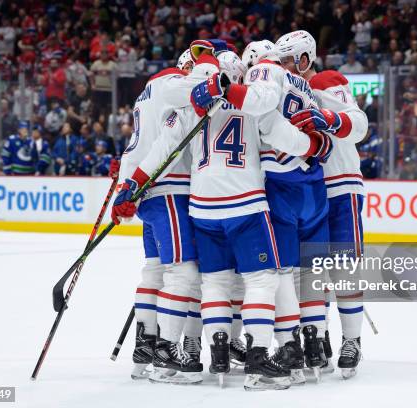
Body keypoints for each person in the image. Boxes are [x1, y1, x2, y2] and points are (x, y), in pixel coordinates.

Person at [119, 49, 329, 391]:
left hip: (202, 208)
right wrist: (314, 145)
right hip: (245, 204)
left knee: (213, 281)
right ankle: (259, 357)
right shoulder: (253, 103)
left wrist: (133, 183)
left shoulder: (193, 103)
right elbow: (285, 139)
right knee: (262, 279)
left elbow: (164, 148)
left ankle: (215, 351)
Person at [275, 30, 369, 379]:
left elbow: (359, 124)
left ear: (304, 59)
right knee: (311, 271)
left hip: (340, 184)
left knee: (344, 267)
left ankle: (352, 340)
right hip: (308, 191)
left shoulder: (327, 81)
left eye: (288, 60)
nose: (283, 67)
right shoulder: (280, 90)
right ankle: (319, 337)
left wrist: (329, 119)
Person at [113, 47, 205, 383]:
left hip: (146, 192)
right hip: (170, 190)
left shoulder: (145, 93)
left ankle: (144, 349)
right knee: (184, 272)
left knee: (154, 271)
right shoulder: (175, 84)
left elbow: (135, 148)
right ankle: (167, 354)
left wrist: (126, 186)